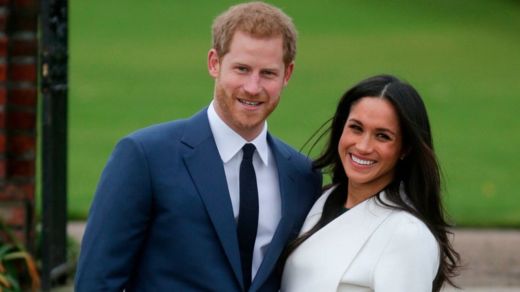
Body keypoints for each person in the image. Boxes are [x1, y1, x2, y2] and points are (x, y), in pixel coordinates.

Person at [75, 2, 322, 291]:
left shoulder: (303, 175)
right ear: (214, 63)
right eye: (241, 69)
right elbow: (97, 281)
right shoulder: (145, 156)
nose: (253, 87)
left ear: (287, 74)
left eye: (267, 73)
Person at [281, 74, 459, 292]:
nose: (363, 146)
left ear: (405, 149)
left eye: (382, 136)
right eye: (356, 128)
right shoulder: (321, 199)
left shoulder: (408, 235)